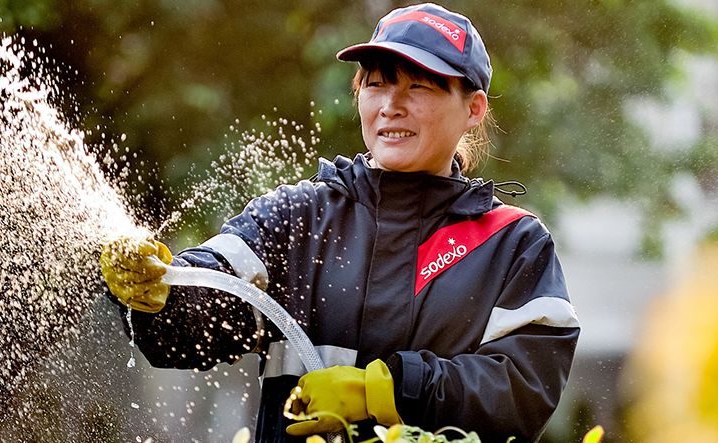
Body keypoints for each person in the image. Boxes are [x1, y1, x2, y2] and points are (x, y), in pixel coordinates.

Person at [100, 3, 579, 442]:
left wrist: (383, 393)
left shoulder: (513, 243)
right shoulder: (297, 217)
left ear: (473, 109)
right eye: (377, 83)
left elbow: (523, 393)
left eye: (419, 85)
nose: (392, 103)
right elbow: (193, 328)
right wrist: (157, 294)